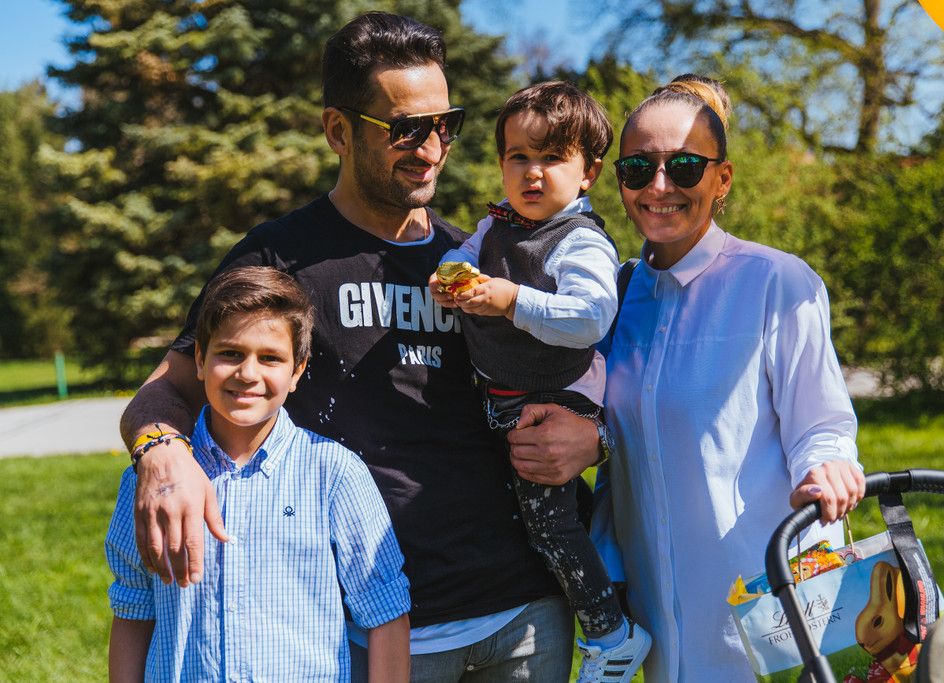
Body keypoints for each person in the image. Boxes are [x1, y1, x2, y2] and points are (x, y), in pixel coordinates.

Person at [118, 12, 603, 682]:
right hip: (372, 623)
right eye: (405, 128)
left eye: (445, 125)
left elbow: (583, 368)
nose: (431, 147)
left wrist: (593, 438)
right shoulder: (278, 256)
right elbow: (169, 385)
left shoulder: (479, 258)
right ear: (338, 131)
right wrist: (161, 454)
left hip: (523, 615)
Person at [591, 75, 867, 681]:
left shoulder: (777, 282)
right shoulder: (616, 295)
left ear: (723, 179)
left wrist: (827, 465)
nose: (659, 186)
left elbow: (820, 424)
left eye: (684, 166)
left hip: (764, 608)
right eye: (637, 169)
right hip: (652, 607)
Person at [429, 81, 650, 682]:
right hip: (507, 397)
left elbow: (590, 317)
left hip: (552, 402)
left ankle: (611, 634)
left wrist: (510, 300)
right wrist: (448, 280)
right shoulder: (496, 227)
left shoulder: (578, 240)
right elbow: (459, 261)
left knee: (549, 525)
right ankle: (614, 577)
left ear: (588, 172)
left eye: (552, 158)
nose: (532, 173)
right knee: (560, 513)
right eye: (518, 157)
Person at [106, 266, 411, 682]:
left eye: (270, 358)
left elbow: (386, 612)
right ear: (200, 360)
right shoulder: (151, 481)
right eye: (231, 353)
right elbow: (132, 609)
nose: (248, 374)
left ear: (297, 371)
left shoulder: (334, 474)